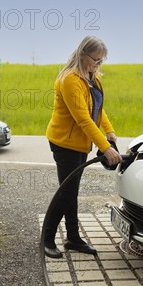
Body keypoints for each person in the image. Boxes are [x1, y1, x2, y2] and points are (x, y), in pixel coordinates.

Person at [42, 35, 123, 259]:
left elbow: (98, 109)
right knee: (66, 191)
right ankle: (46, 239)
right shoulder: (69, 80)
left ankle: (73, 238)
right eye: (96, 60)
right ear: (83, 54)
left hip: (80, 144)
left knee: (72, 191)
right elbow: (83, 119)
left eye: (102, 61)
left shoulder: (91, 77)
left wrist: (109, 131)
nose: (99, 65)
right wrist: (106, 148)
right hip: (64, 143)